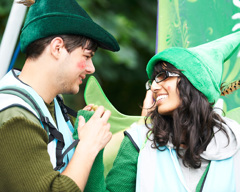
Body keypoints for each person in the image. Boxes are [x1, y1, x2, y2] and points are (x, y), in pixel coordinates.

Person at [77, 31, 240, 192]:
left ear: (194, 82)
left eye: (163, 76)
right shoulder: (138, 141)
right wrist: (90, 145)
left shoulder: (235, 142)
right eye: (153, 80)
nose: (154, 87)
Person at [0, 0, 120, 192]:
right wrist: (88, 146)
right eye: (87, 56)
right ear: (57, 48)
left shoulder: (53, 106)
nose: (91, 68)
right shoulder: (13, 116)